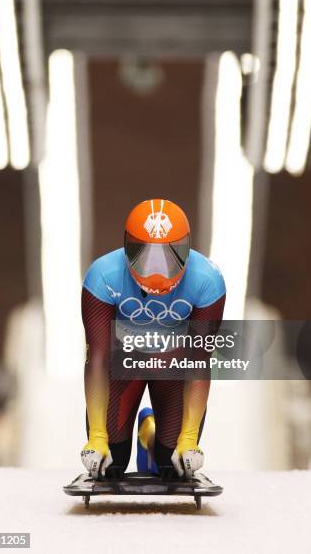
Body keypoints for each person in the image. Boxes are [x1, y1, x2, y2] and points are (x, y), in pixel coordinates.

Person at [81, 199, 226, 479]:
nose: (157, 271)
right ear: (126, 249)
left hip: (174, 371)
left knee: (173, 467)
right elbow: (97, 359)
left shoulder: (208, 281)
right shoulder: (102, 276)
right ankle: (140, 433)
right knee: (109, 466)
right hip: (122, 368)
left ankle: (151, 432)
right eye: (144, 257)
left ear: (186, 250)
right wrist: (98, 436)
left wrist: (189, 439)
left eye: (169, 257)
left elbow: (199, 361)